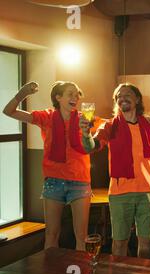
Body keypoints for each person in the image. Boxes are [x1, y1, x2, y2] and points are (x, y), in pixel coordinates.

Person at [3, 81, 91, 251]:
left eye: (77, 95)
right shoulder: (46, 117)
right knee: (51, 235)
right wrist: (22, 94)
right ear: (58, 97)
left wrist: (142, 118)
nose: (75, 98)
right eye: (70, 94)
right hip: (54, 181)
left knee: (82, 236)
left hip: (80, 182)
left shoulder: (85, 118)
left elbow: (111, 126)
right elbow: (8, 111)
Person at [80, 83, 150, 259]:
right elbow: (91, 147)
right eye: (118, 96)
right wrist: (85, 134)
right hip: (120, 192)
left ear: (137, 99)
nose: (122, 98)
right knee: (120, 242)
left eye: (127, 94)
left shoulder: (148, 124)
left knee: (146, 243)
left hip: (148, 191)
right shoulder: (109, 126)